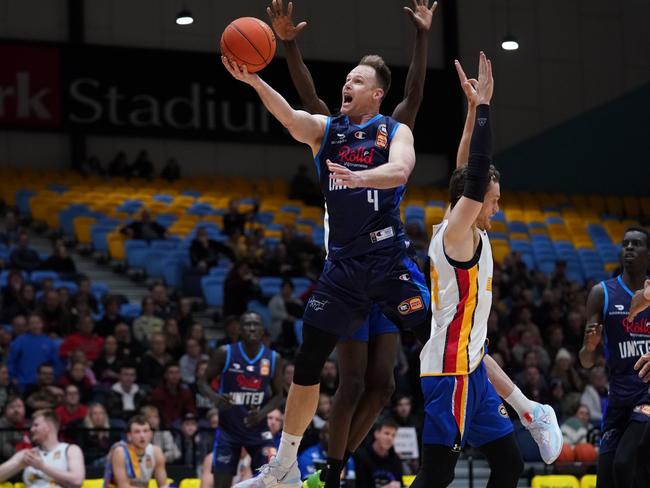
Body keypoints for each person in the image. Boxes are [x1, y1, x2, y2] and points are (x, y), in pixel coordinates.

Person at [224, 8, 431, 485]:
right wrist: (257, 77)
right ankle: (288, 468)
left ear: (377, 93)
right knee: (324, 367)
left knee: (416, 360)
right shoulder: (328, 130)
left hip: (386, 259)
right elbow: (295, 111)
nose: (348, 85)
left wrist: (359, 178)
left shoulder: (394, 128)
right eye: (347, 78)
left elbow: (401, 164)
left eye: (357, 80)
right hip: (341, 267)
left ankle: (508, 414)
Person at [412, 53, 526, 488]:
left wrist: (471, 108)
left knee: (510, 464)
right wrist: (484, 110)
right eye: (492, 199)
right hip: (449, 371)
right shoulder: (456, 235)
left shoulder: (459, 223)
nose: (496, 206)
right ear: (475, 202)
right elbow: (473, 176)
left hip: (473, 367)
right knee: (437, 475)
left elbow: (464, 171)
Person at [578, 227, 650, 488]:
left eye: (637, 244)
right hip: (618, 398)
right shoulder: (602, 293)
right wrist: (590, 346)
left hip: (647, 394)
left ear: (648, 254)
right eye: (625, 244)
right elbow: (586, 361)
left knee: (625, 462)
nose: (629, 248)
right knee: (606, 479)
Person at [198, 312, 284, 488]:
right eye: (247, 324)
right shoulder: (225, 353)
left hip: (258, 430)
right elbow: (202, 382)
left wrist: (261, 414)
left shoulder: (273, 358)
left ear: (262, 330)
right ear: (239, 329)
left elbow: (279, 396)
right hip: (228, 430)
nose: (252, 328)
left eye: (256, 324)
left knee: (270, 481)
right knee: (221, 484)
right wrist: (215, 398)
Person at [0, 409, 85, 488]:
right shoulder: (28, 454)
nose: (32, 429)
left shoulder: (70, 450)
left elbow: (77, 481)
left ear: (49, 427)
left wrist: (42, 467)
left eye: (36, 425)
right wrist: (19, 464)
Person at [103, 415, 169, 488]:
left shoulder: (156, 452)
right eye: (137, 432)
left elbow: (163, 484)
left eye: (145, 431)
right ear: (129, 436)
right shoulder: (121, 452)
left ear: (151, 434)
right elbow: (123, 486)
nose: (142, 436)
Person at [8, 314, 61, 388]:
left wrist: (54, 378)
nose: (35, 325)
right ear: (28, 326)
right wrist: (12, 377)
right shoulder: (19, 341)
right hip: (22, 384)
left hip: (43, 385)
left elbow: (56, 363)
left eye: (37, 323)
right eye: (32, 323)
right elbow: (12, 361)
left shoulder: (50, 343)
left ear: (42, 324)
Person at [353, 419, 401, 488]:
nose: (390, 438)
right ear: (376, 434)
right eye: (386, 433)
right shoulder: (361, 456)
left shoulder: (396, 459)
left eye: (393, 435)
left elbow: (400, 483)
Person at [0, 397, 30, 462]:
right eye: (12, 407)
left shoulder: (30, 425)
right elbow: (6, 452)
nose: (16, 410)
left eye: (19, 406)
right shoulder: (1, 426)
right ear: (5, 411)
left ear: (24, 409)